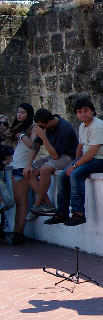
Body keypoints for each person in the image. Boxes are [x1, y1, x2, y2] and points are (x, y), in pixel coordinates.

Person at [44, 96, 103, 227]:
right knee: (61, 176)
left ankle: (78, 214)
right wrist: (74, 163)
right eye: (79, 111)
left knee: (75, 174)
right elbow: (80, 146)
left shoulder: (98, 126)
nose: (83, 114)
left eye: (86, 111)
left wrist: (75, 165)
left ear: (92, 111)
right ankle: (61, 213)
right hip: (90, 159)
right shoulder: (83, 126)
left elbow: (92, 152)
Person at [26, 109, 79, 219]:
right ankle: (48, 205)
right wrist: (29, 164)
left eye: (42, 126)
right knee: (31, 173)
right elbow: (36, 145)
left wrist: (44, 137)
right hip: (55, 155)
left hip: (68, 156)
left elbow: (56, 156)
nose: (40, 129)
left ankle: (37, 204)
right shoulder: (45, 126)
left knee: (45, 169)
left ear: (48, 122)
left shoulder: (64, 128)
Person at [3, 103, 36, 245]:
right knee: (17, 201)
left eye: (22, 112)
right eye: (18, 112)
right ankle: (15, 230)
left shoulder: (32, 128)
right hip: (16, 166)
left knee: (23, 202)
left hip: (24, 167)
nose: (19, 115)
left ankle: (19, 232)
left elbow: (33, 145)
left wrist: (20, 134)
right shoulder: (19, 128)